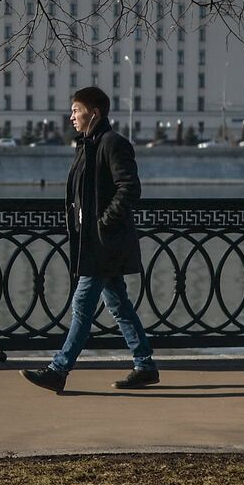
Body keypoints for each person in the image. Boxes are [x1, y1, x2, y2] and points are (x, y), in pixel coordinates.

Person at [22, 86, 159, 393]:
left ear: (93, 113)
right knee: (118, 303)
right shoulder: (87, 145)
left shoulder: (112, 143)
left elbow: (130, 188)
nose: (71, 116)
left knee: (82, 303)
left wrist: (103, 223)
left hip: (103, 243)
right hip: (92, 242)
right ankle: (145, 365)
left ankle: (58, 369)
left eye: (76, 110)